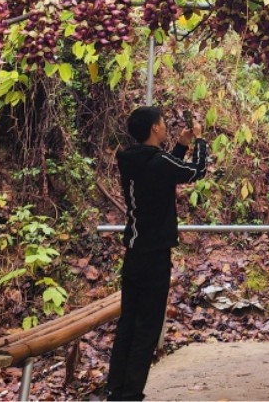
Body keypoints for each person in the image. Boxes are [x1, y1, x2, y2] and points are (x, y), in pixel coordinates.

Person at [106, 106, 209, 401]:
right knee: (147, 328)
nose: (165, 126)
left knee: (128, 324)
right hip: (155, 256)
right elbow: (196, 171)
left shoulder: (130, 159)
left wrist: (181, 146)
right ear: (154, 128)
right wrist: (199, 141)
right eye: (162, 123)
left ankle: (116, 390)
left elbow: (163, 172)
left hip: (134, 252)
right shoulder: (158, 162)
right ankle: (131, 394)